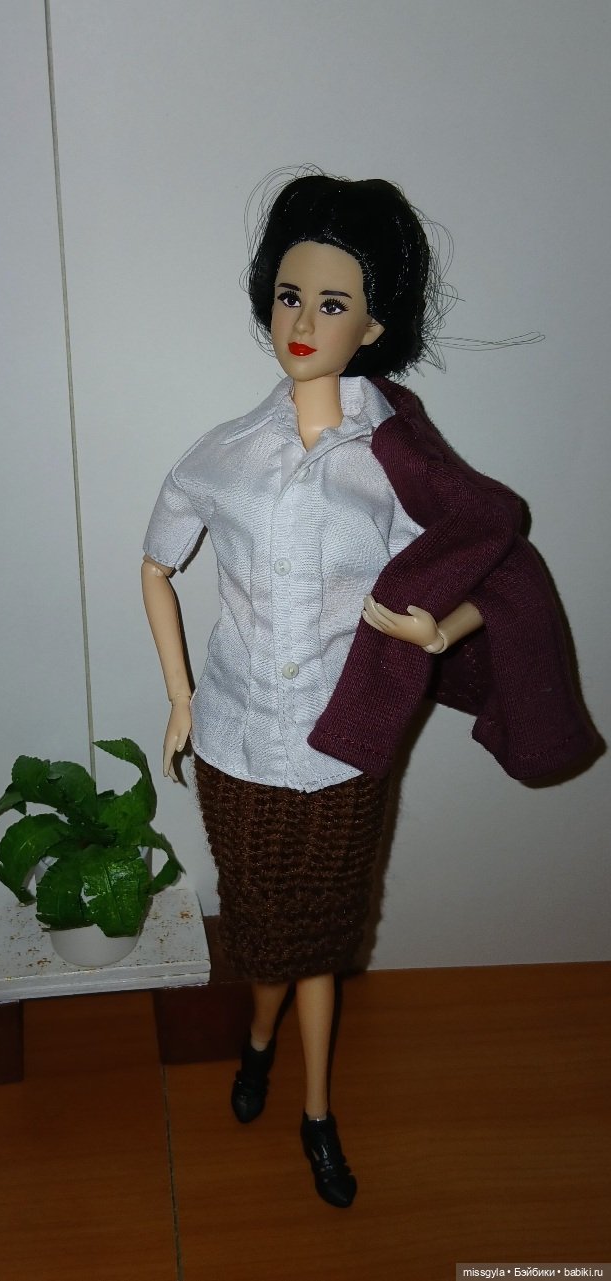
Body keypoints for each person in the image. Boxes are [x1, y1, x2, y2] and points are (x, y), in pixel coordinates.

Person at [140, 172, 596, 1208]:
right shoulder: (221, 457)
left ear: (374, 325)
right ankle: (257, 1046)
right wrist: (179, 697)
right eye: (289, 295)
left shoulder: (395, 460)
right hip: (234, 742)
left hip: (342, 745)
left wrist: (441, 628)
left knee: (323, 941)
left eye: (333, 302)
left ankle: (314, 1113)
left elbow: (488, 559)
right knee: (262, 931)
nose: (303, 322)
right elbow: (156, 566)